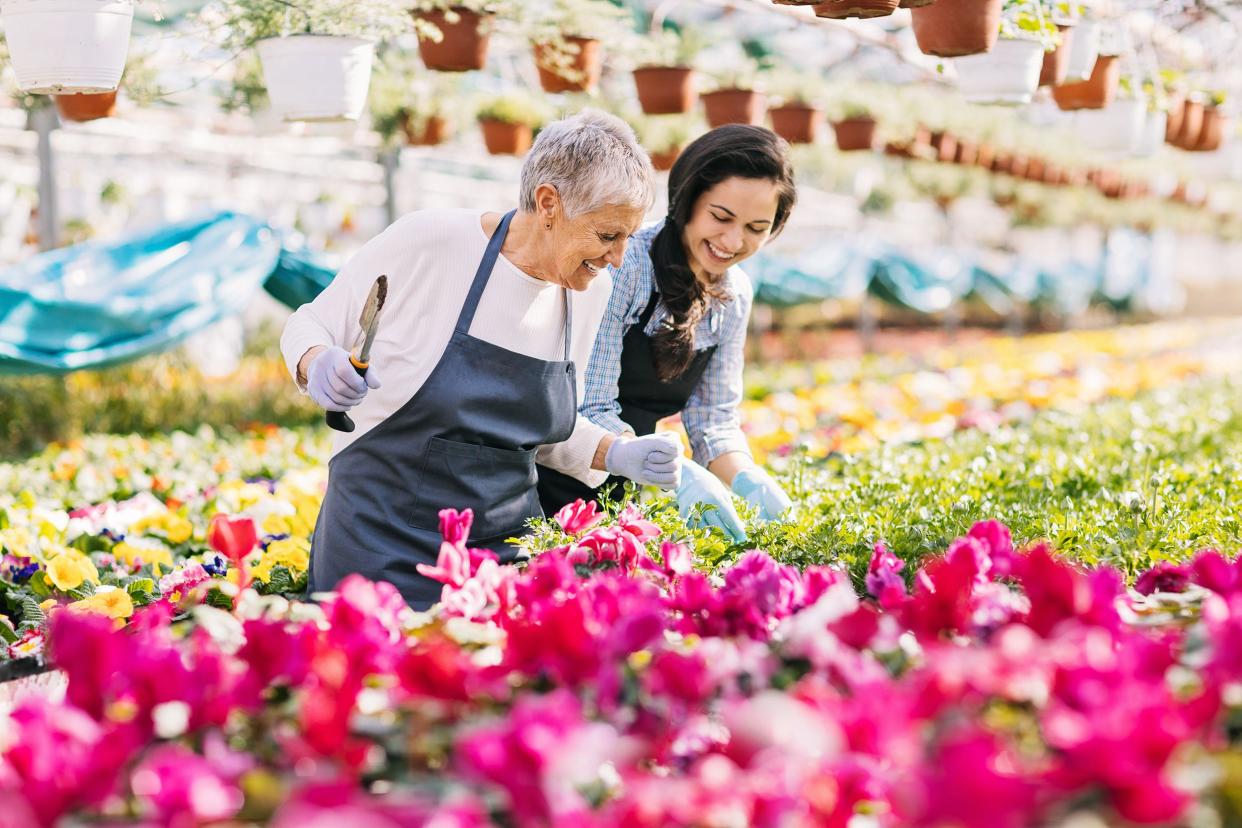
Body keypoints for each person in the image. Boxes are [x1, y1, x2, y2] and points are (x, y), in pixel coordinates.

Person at [281, 110, 680, 608]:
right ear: (549, 203)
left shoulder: (587, 292)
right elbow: (308, 324)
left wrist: (617, 452)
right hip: (378, 544)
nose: (619, 257)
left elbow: (547, 432)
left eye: (627, 237)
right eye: (607, 236)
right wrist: (316, 361)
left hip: (501, 556)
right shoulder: (433, 242)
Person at [537, 124, 797, 542]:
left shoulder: (734, 293)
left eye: (756, 227)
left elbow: (713, 420)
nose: (733, 241)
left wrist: (747, 478)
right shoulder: (627, 265)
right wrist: (684, 475)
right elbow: (589, 404)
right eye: (721, 217)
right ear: (688, 200)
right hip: (554, 480)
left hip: (626, 490)